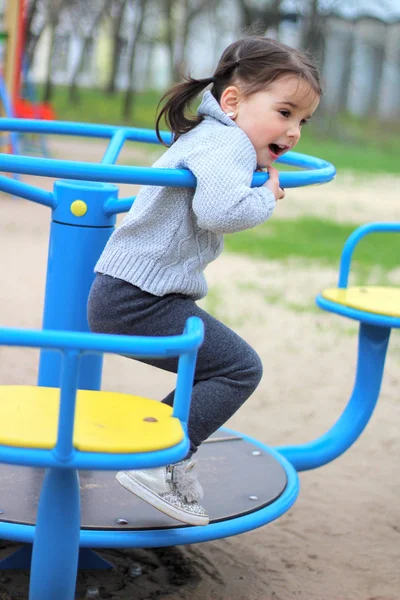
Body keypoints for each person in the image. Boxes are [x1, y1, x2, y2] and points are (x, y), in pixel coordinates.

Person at [87, 36, 321, 527]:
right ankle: (161, 459)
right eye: (284, 112)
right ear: (233, 102)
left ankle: (155, 451)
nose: (294, 131)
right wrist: (267, 195)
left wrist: (256, 167)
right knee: (237, 368)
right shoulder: (226, 142)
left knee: (218, 367)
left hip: (130, 292)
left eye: (302, 120)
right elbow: (219, 211)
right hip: (140, 300)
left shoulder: (214, 138)